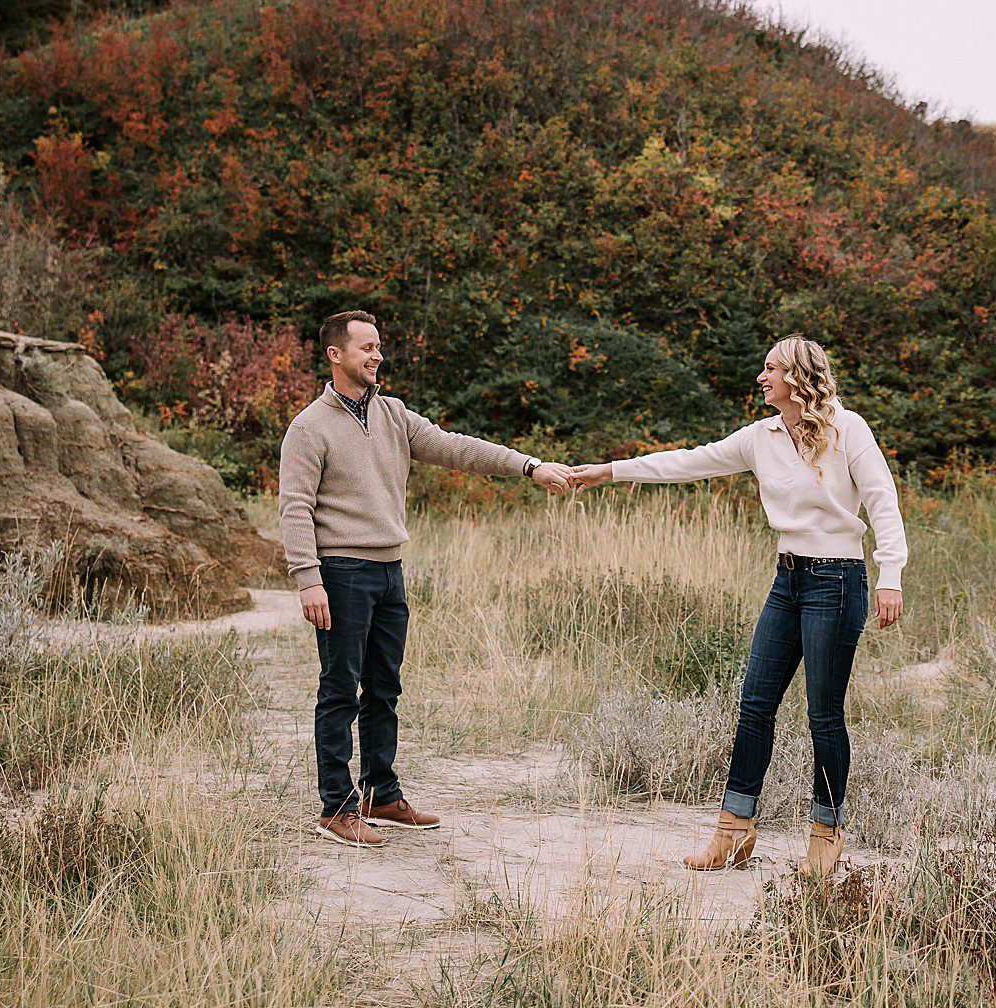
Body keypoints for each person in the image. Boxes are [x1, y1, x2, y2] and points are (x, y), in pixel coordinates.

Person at [569, 335, 906, 877]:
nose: (761, 377)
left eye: (770, 369)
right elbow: (688, 463)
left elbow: (883, 503)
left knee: (823, 714)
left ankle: (826, 833)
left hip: (837, 582)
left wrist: (890, 576)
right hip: (787, 581)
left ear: (797, 376)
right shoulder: (761, 437)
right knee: (754, 706)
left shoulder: (849, 429)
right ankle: (734, 830)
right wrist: (609, 471)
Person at [280, 310, 574, 848]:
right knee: (340, 689)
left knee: (385, 688)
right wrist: (308, 579)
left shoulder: (393, 415)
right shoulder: (309, 427)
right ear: (335, 355)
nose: (377, 356)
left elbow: (459, 447)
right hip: (341, 573)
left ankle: (381, 793)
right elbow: (295, 506)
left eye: (379, 347)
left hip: (390, 571)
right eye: (366, 348)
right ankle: (336, 808)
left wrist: (529, 466)